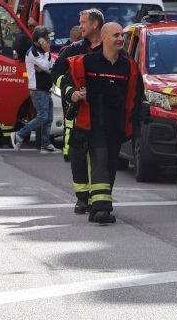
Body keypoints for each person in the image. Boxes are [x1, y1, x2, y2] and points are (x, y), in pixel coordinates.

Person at [61, 22, 148, 225]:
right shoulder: (87, 62)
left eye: (122, 36)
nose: (120, 39)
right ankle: (102, 209)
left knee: (110, 163)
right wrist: (70, 93)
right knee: (99, 159)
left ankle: (96, 204)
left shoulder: (128, 66)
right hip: (93, 122)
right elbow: (66, 81)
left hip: (116, 123)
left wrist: (143, 109)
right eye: (116, 35)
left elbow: (137, 92)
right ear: (105, 38)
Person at [52, 10, 105, 214]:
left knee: (100, 157)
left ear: (95, 24)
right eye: (80, 22)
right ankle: (82, 198)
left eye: (83, 22)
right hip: (76, 113)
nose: (80, 26)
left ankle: (98, 199)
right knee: (78, 157)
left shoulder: (109, 49)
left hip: (100, 114)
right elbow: (55, 72)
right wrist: (69, 91)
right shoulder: (73, 49)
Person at [12, 26, 57, 154]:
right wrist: (47, 56)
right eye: (46, 39)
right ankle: (19, 134)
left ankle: (45, 143)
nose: (48, 42)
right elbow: (45, 65)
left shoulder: (42, 51)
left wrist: (46, 65)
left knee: (49, 118)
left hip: (46, 87)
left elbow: (50, 67)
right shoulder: (33, 52)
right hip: (37, 89)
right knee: (42, 116)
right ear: (38, 40)